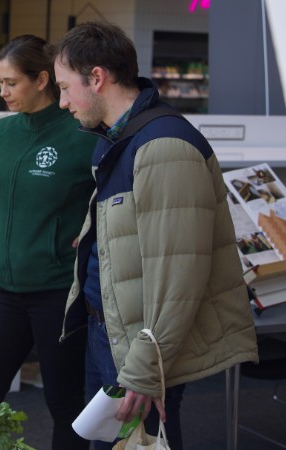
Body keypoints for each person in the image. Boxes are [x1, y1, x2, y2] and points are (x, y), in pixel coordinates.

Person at [52, 21, 259, 450]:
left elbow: (178, 276)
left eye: (65, 87)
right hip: (111, 333)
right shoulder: (119, 139)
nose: (62, 102)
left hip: (138, 350)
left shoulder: (164, 147)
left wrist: (145, 369)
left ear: (96, 78)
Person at [0, 35, 97, 450]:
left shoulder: (82, 133)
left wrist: (94, 230)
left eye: (11, 83)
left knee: (65, 405)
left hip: (58, 289)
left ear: (43, 79)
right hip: (5, 284)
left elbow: (115, 197)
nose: (2, 93)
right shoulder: (3, 132)